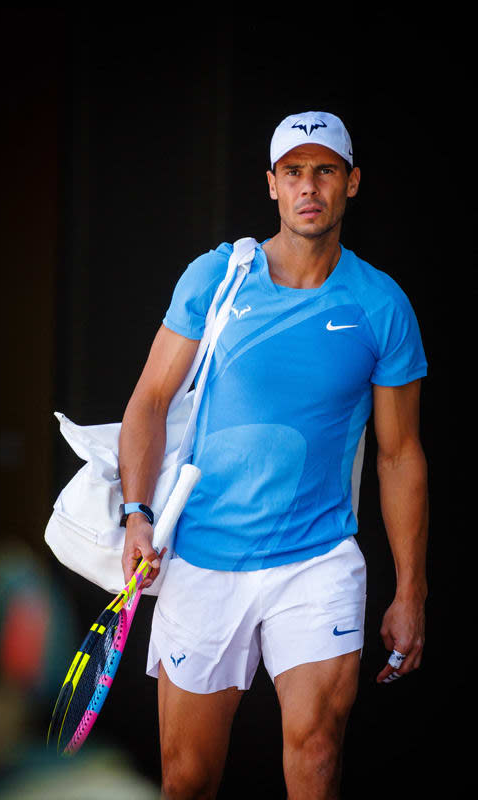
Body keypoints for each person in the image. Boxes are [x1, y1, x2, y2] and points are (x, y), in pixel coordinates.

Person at [119, 111, 428, 799]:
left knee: (316, 753)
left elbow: (399, 455)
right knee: (186, 780)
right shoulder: (215, 279)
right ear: (271, 185)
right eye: (293, 172)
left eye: (323, 170)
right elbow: (148, 403)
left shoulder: (381, 305)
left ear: (351, 183)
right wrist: (136, 513)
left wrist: (410, 590)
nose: (307, 186)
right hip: (202, 558)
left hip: (316, 559)